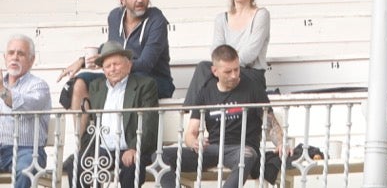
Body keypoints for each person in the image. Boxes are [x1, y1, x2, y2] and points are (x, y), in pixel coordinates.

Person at [157, 44, 271, 188]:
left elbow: (270, 120)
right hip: (212, 148)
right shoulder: (205, 92)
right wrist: (193, 142)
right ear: (215, 71)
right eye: (228, 72)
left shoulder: (253, 88)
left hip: (241, 148)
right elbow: (190, 133)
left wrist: (280, 143)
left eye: (237, 69)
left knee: (247, 156)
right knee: (159, 156)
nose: (234, 75)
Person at [65, 41, 159, 188]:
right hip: (103, 150)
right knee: (76, 163)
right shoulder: (97, 86)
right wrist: (86, 149)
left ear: (129, 65)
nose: (112, 69)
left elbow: (149, 122)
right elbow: (91, 120)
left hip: (129, 149)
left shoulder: (145, 85)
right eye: (108, 66)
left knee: (132, 167)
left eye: (116, 64)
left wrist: (134, 148)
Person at [0, 35, 50, 188]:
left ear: (32, 60)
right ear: (4, 57)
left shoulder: (38, 86)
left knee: (25, 171)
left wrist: (2, 90)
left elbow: (25, 106)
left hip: (28, 150)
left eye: (21, 54)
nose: (15, 57)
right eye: (11, 53)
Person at [211, 0, 271, 73]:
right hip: (225, 73)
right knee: (203, 68)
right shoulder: (221, 19)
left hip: (250, 73)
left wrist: (227, 68)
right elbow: (216, 52)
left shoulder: (261, 15)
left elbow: (250, 53)